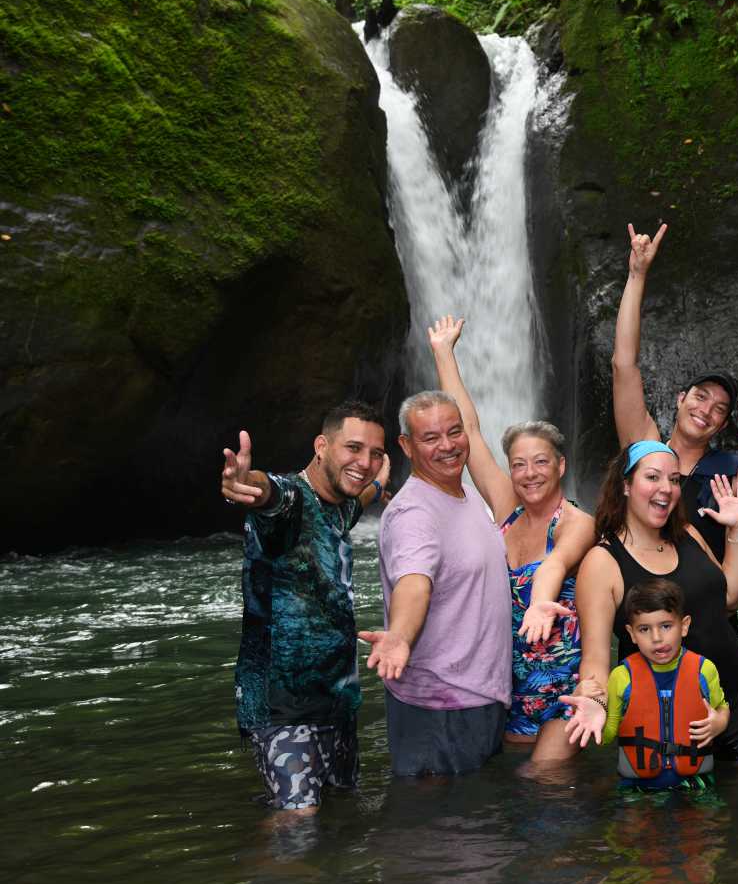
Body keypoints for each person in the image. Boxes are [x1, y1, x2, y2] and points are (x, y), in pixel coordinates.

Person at [554, 441, 738, 768]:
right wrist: (596, 701)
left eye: (674, 480)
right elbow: (595, 659)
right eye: (653, 477)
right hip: (663, 711)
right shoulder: (602, 562)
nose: (667, 488)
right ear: (625, 485)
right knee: (681, 799)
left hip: (735, 691)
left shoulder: (687, 534)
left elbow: (728, 598)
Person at [428, 314, 594, 759]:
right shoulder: (507, 506)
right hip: (503, 680)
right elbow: (469, 433)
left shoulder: (576, 521)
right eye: (518, 464)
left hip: (562, 685)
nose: (529, 473)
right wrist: (444, 354)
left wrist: (540, 603)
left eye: (540, 462)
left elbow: (556, 563)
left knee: (546, 780)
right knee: (513, 785)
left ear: (560, 466)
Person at [220, 400, 389, 814]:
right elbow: (267, 492)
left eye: (375, 453)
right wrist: (245, 483)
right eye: (353, 448)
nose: (364, 462)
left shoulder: (342, 505)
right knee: (297, 822)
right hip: (283, 705)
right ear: (321, 446)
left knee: (341, 814)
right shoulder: (291, 500)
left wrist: (380, 483)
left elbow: (361, 497)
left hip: (339, 701)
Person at [360, 391, 514, 777]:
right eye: (431, 438)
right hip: (438, 708)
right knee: (434, 813)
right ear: (406, 446)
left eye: (454, 432)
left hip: (478, 697)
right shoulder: (414, 513)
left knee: (476, 812)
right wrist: (400, 636)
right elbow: (414, 583)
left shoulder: (467, 495)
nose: (447, 445)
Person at [612, 222, 738, 563]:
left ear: (722, 426)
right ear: (680, 399)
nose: (706, 410)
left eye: (719, 408)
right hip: (643, 593)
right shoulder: (645, 448)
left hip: (704, 594)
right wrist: (637, 275)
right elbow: (623, 365)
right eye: (701, 396)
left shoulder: (736, 477)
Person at [601, 579, 730, 790]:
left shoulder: (704, 670)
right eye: (644, 629)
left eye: (666, 626)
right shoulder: (622, 677)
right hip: (638, 789)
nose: (657, 638)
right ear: (632, 634)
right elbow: (608, 735)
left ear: (684, 626)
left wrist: (720, 723)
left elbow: (722, 707)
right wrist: (590, 718)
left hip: (695, 786)